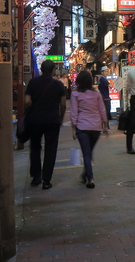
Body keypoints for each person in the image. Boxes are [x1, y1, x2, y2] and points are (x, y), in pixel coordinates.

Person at [25, 59, 68, 190]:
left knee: (35, 148)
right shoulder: (58, 84)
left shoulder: (33, 82)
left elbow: (27, 101)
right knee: (50, 149)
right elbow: (63, 104)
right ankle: (46, 180)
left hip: (35, 120)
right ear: (53, 70)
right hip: (52, 120)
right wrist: (60, 118)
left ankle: (36, 177)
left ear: (41, 69)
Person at [70, 70, 109, 189]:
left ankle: (90, 178)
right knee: (89, 153)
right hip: (95, 128)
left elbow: (74, 112)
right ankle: (85, 174)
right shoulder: (96, 93)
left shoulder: (75, 94)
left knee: (86, 153)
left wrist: (73, 128)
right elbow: (102, 109)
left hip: (82, 128)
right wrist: (105, 125)